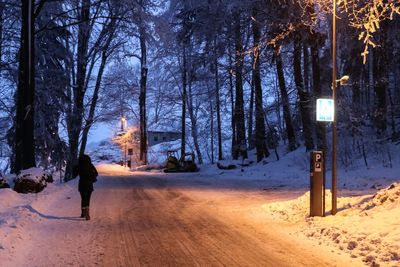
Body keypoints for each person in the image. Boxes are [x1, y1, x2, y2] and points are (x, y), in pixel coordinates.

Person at [73, 154, 98, 220]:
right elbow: (96, 173)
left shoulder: (79, 166)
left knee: (83, 198)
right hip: (89, 184)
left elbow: (74, 175)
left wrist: (75, 167)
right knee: (88, 198)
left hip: (82, 184)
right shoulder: (90, 165)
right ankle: (87, 212)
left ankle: (83, 213)